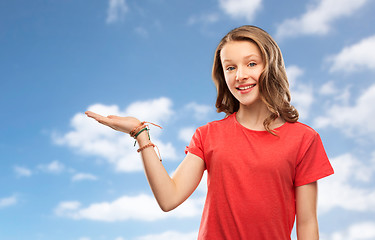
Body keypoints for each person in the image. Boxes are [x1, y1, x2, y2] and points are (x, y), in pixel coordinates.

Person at [85, 25, 334, 240]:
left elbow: (307, 223)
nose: (241, 75)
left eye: (251, 63)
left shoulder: (304, 139)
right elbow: (169, 198)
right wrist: (140, 133)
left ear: (271, 66)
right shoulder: (208, 135)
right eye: (230, 67)